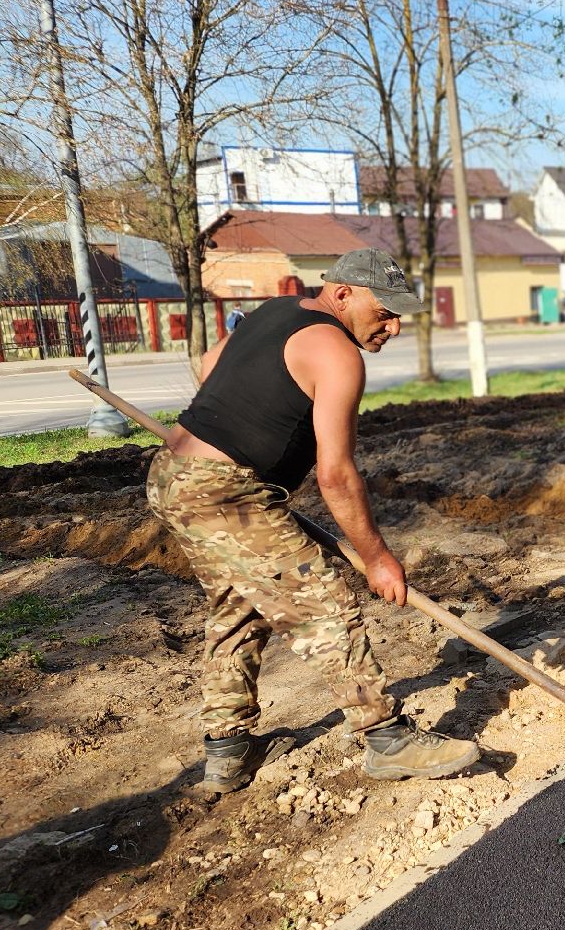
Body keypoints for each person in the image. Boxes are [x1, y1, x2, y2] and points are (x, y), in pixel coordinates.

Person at [146, 248, 481, 795]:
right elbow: (336, 476)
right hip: (227, 495)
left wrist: (241, 416)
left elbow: (210, 363)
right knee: (323, 604)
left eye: (399, 315)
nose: (393, 327)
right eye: (385, 312)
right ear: (344, 294)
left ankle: (227, 750)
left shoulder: (276, 311)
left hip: (175, 475)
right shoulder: (339, 354)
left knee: (238, 607)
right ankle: (387, 739)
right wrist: (376, 558)